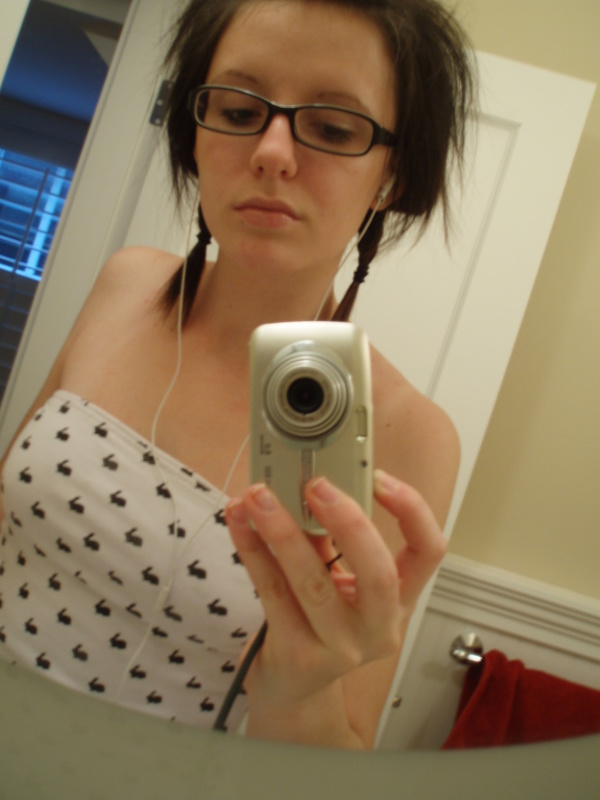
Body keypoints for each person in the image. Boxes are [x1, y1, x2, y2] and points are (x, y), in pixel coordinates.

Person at [0, 0, 475, 748]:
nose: (273, 152)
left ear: (393, 176)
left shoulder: (409, 434)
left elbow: (330, 767)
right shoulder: (127, 284)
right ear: (196, 132)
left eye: (333, 128)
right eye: (238, 110)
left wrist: (300, 685)